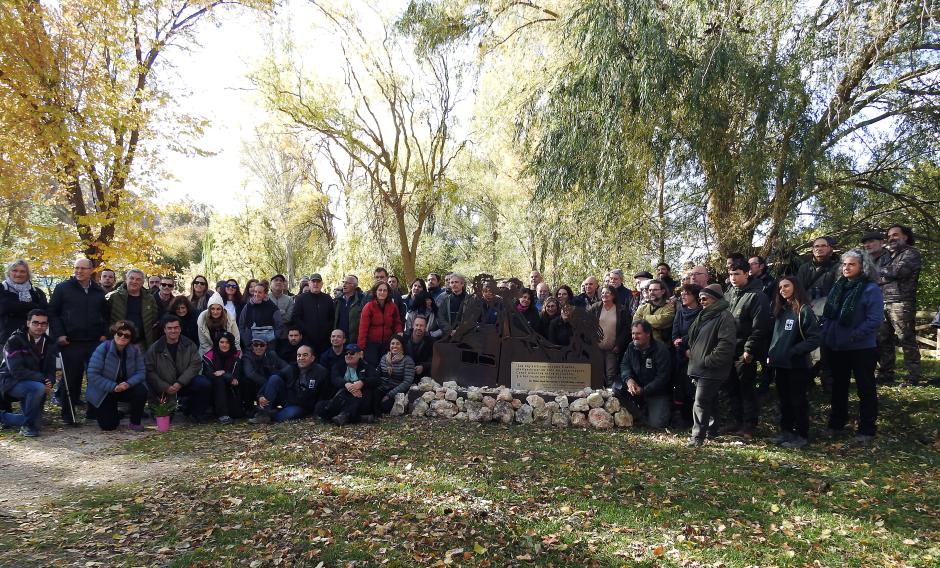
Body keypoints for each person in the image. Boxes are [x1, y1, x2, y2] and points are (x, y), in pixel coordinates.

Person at [821, 249, 884, 444]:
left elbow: (874, 320)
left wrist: (853, 336)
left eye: (851, 264)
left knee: (865, 388)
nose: (846, 268)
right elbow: (828, 315)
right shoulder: (838, 286)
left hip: (861, 348)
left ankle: (867, 429)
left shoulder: (870, 289)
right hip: (836, 347)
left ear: (862, 267)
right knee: (838, 387)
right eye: (844, 264)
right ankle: (837, 424)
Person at [49, 257, 108, 424]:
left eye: (83, 268)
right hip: (71, 341)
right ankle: (68, 414)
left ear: (91, 270)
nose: (79, 271)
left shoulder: (98, 291)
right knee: (72, 379)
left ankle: (93, 412)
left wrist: (104, 334)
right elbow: (53, 313)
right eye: (76, 268)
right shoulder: (62, 288)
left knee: (95, 377)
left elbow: (106, 315)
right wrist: (59, 334)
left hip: (94, 342)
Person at [767, 276, 820, 449]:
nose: (782, 290)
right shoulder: (780, 310)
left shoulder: (804, 310)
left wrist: (793, 351)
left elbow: (814, 338)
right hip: (780, 364)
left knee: (798, 400)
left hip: (797, 365)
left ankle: (802, 435)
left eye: (786, 286)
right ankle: (786, 432)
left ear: (795, 287)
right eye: (780, 287)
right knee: (784, 400)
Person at [723, 258, 772, 437]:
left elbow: (761, 326)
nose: (733, 277)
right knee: (731, 387)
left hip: (745, 350)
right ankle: (735, 421)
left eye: (737, 274)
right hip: (728, 348)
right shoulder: (729, 293)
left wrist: (749, 349)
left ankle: (749, 424)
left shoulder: (758, 295)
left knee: (747, 388)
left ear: (746, 273)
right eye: (731, 274)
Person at [686, 284, 737, 447]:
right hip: (700, 366)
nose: (701, 301)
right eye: (700, 298)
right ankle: (711, 431)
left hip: (711, 368)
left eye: (705, 298)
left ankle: (697, 437)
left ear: (715, 298)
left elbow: (726, 344)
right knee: (711, 400)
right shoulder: (705, 315)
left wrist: (708, 360)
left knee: (700, 401)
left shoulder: (724, 316)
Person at [876, 224, 922, 386]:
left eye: (895, 234)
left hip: (902, 302)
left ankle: (913, 377)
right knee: (883, 340)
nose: (891, 238)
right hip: (883, 302)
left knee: (906, 339)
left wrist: (880, 272)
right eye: (889, 235)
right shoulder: (890, 256)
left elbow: (898, 272)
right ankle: (885, 374)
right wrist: (884, 273)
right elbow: (884, 275)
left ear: (905, 236)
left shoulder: (911, 253)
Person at [0, 309, 57, 436]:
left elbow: (51, 370)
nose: (39, 326)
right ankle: (19, 421)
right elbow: (16, 371)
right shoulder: (14, 341)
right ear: (28, 323)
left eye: (43, 323)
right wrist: (42, 380)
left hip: (35, 382)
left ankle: (26, 421)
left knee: (38, 388)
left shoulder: (50, 343)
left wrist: (49, 382)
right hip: (9, 382)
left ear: (47, 325)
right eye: (35, 323)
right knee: (37, 388)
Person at [86, 320, 148, 431]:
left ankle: (135, 422)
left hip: (125, 387)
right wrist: (113, 386)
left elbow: (141, 372)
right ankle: (117, 413)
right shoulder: (103, 348)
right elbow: (92, 374)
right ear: (114, 334)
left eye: (127, 335)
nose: (122, 337)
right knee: (108, 426)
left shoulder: (134, 351)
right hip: (105, 390)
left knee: (141, 390)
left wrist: (128, 384)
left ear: (131, 338)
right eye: (119, 334)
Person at [146, 315, 211, 421]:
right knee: (165, 418)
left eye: (176, 327)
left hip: (184, 383)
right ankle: (160, 408)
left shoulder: (189, 345)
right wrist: (165, 386)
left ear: (180, 329)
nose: (173, 331)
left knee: (203, 383)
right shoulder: (154, 349)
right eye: (170, 328)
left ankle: (195, 412)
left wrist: (180, 383)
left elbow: (195, 365)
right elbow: (150, 371)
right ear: (164, 330)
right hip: (163, 387)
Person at [252, 344, 331, 423]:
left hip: (302, 406)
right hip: (288, 399)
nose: (301, 358)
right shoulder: (292, 367)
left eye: (305, 355)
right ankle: (264, 414)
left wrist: (317, 412)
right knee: (275, 378)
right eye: (299, 355)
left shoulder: (321, 372)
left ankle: (271, 414)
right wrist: (261, 395)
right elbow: (275, 377)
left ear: (312, 358)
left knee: (283, 417)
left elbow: (323, 395)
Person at [616, 320, 672, 429]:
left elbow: (663, 378)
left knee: (656, 425)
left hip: (656, 392)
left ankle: (651, 413)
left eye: (638, 333)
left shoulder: (661, 350)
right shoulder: (631, 346)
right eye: (633, 333)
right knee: (616, 386)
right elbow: (624, 365)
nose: (634, 337)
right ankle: (638, 415)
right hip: (636, 389)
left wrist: (644, 390)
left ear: (648, 334)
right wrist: (629, 380)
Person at [319, 344, 377, 425]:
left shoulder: (367, 366)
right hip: (342, 397)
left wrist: (363, 382)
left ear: (360, 354)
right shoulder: (338, 365)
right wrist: (346, 384)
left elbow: (376, 379)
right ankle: (360, 418)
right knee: (320, 407)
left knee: (356, 396)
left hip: (361, 399)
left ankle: (345, 415)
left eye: (352, 353)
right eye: (346, 353)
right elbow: (334, 378)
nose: (348, 355)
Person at [670, 283, 702, 424]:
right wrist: (682, 346)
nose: (682, 296)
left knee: (693, 389)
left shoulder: (702, 312)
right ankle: (684, 419)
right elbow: (675, 335)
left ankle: (695, 420)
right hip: (681, 355)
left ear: (695, 296)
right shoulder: (680, 312)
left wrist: (683, 341)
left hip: (697, 354)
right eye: (681, 294)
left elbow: (697, 333)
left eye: (686, 293)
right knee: (680, 387)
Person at [0, 260, 49, 349]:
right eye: (14, 270)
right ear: (9, 272)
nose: (18, 274)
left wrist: (15, 307)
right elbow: (3, 308)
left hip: (34, 341)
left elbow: (43, 312)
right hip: (6, 340)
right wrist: (31, 306)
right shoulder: (2, 288)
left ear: (28, 274)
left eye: (23, 271)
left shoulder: (37, 292)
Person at [588, 285, 630, 387]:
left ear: (613, 295)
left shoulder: (621, 310)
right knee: (597, 373)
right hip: (597, 347)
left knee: (610, 374)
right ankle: (597, 397)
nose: (604, 295)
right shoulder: (595, 307)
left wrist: (619, 345)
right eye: (602, 293)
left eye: (607, 293)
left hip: (612, 348)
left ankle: (611, 398)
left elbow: (626, 329)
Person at [107, 269, 158, 349]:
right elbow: (105, 318)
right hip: (118, 342)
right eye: (131, 278)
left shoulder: (149, 299)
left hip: (141, 344)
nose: (134, 281)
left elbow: (153, 317)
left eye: (138, 279)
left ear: (142, 282)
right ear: (126, 280)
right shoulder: (114, 297)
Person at [203, 331, 243, 424]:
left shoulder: (236, 355)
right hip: (214, 388)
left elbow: (235, 375)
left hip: (231, 387)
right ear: (217, 343)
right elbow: (209, 374)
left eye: (227, 342)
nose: (224, 345)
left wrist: (224, 373)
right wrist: (227, 376)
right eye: (222, 342)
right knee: (219, 380)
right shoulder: (208, 356)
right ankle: (223, 415)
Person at [358, 281, 403, 365]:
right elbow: (363, 329)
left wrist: (399, 332)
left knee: (386, 366)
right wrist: (361, 348)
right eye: (380, 290)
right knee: (373, 367)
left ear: (388, 292)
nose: (382, 292)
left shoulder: (392, 306)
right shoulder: (368, 306)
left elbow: (397, 322)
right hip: (371, 344)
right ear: (375, 292)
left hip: (387, 343)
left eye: (385, 290)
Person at [290, 273, 335, 355]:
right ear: (309, 284)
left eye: (318, 282)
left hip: (324, 340)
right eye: (313, 281)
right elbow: (295, 317)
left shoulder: (327, 299)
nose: (315, 284)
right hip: (307, 339)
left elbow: (332, 318)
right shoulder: (301, 298)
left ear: (321, 284)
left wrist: (326, 331)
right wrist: (306, 330)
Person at [240, 334, 288, 409]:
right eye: (256, 345)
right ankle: (252, 409)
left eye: (262, 345)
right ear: (252, 346)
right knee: (247, 382)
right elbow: (250, 374)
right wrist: (269, 383)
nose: (259, 347)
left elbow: (286, 367)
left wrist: (277, 375)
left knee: (277, 379)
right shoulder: (247, 357)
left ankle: (274, 408)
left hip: (270, 386)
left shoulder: (272, 354)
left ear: (266, 346)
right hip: (255, 388)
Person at [373, 334, 415, 415]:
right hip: (382, 387)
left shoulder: (407, 361)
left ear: (402, 346)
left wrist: (389, 395)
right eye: (392, 343)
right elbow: (377, 374)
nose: (394, 346)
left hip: (397, 390)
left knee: (384, 407)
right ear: (389, 346)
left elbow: (407, 382)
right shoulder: (384, 358)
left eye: (398, 344)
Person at [237, 280, 284, 351]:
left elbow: (279, 325)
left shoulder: (272, 307)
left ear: (265, 294)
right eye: (255, 292)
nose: (256, 294)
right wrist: (246, 339)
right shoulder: (248, 306)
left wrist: (273, 337)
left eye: (259, 292)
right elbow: (241, 324)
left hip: (269, 346)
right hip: (251, 345)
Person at [334, 275, 365, 345]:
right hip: (339, 340)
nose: (344, 285)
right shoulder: (337, 300)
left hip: (354, 340)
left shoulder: (361, 300)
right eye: (343, 282)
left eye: (347, 283)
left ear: (354, 286)